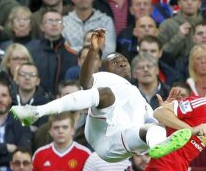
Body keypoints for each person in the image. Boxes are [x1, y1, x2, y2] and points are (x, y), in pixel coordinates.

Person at [10, 29, 191, 162]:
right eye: (114, 61)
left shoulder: (138, 96)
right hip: (103, 137)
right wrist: (93, 50)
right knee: (105, 94)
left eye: (124, 61)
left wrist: (164, 111)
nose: (121, 62)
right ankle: (37, 111)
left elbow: (154, 123)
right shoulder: (103, 78)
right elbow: (85, 83)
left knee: (151, 130)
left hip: (124, 141)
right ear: (104, 67)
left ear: (132, 70)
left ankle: (161, 148)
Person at [0, 78, 33, 171]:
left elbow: (24, 154)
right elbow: (15, 154)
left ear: (10, 99)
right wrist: (6, 148)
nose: (0, 99)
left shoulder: (21, 123)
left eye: (4, 95)